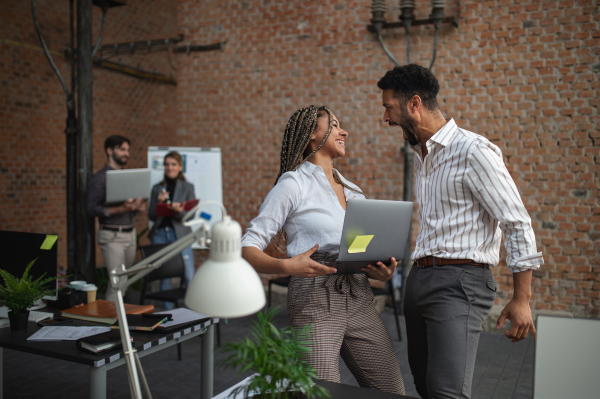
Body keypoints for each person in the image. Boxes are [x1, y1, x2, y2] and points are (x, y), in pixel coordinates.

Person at [377, 64, 543, 399]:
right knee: (424, 386)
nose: (386, 119)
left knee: (446, 392)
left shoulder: (473, 151)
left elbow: (516, 221)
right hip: (419, 281)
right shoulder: (423, 154)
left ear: (414, 104)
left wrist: (521, 298)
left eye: (388, 108)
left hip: (459, 283)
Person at [241, 105, 405, 395]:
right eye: (334, 125)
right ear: (311, 136)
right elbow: (248, 246)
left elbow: (359, 246)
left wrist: (382, 267)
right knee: (321, 392)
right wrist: (285, 266)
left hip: (357, 292)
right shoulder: (293, 183)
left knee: (391, 390)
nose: (344, 132)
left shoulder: (353, 190)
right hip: (314, 295)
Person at [87, 135, 147, 303]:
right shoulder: (99, 178)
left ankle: (119, 322)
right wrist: (121, 208)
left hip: (130, 234)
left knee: (124, 283)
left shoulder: (126, 176)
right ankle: (112, 326)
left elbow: (128, 210)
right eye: (122, 149)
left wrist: (136, 208)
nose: (126, 153)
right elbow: (91, 208)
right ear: (109, 150)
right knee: (117, 284)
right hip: (112, 236)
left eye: (128, 150)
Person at [147, 151, 196, 310]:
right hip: (161, 234)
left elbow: (191, 214)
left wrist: (179, 211)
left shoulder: (188, 187)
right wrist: (159, 204)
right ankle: (171, 315)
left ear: (180, 167)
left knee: (189, 275)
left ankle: (191, 311)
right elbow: (152, 215)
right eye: (167, 164)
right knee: (164, 277)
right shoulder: (157, 188)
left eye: (173, 164)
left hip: (180, 234)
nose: (170, 168)